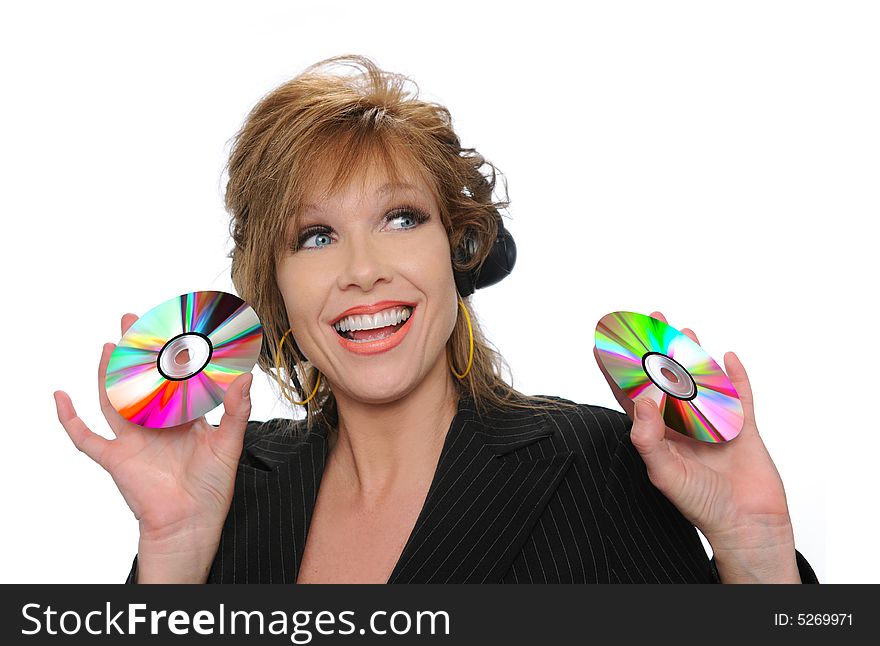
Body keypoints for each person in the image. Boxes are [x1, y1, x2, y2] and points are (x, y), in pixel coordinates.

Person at [54, 55, 818, 584]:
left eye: (400, 217)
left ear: (459, 250)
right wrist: (174, 558)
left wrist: (755, 551)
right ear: (273, 287)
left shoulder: (597, 466)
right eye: (314, 236)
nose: (361, 269)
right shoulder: (222, 489)